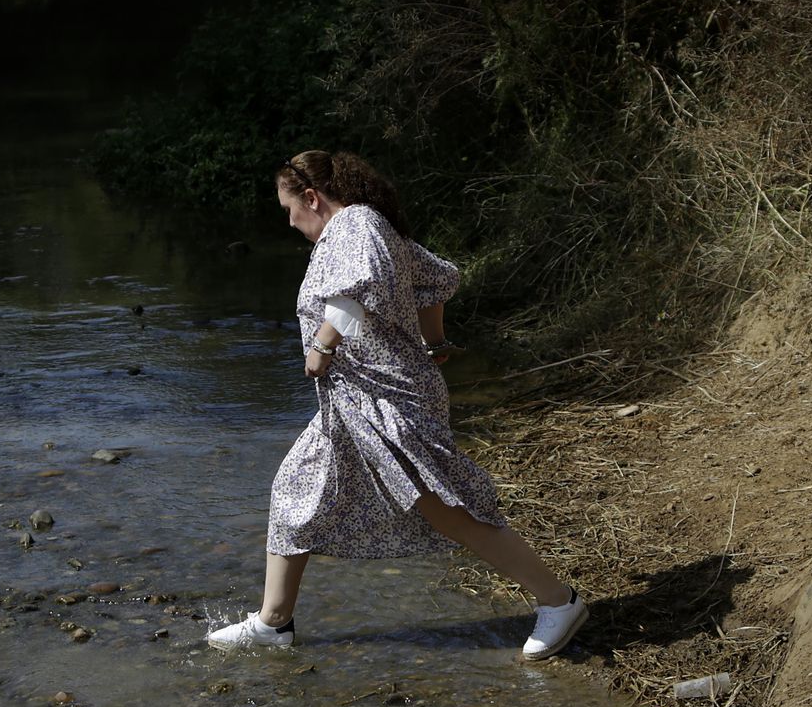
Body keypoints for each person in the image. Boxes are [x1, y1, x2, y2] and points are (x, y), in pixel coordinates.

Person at [207, 150, 588, 660]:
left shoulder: (356, 224)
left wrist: (323, 345)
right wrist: (434, 341)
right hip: (351, 401)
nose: (289, 220)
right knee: (294, 493)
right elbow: (436, 279)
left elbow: (355, 290)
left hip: (387, 398)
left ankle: (559, 601)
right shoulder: (369, 229)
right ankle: (274, 622)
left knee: (446, 508)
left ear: (312, 198)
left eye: (288, 207)